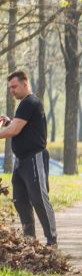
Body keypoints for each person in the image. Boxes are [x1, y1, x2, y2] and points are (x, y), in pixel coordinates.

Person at [0, 70, 57, 245]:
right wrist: (10, 121)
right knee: (20, 200)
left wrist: (10, 126)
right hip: (21, 161)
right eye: (10, 88)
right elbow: (20, 127)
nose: (12, 91)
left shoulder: (30, 102)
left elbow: (14, 130)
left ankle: (52, 239)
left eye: (15, 87)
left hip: (34, 158)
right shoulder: (24, 104)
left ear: (25, 84)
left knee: (39, 198)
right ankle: (29, 240)